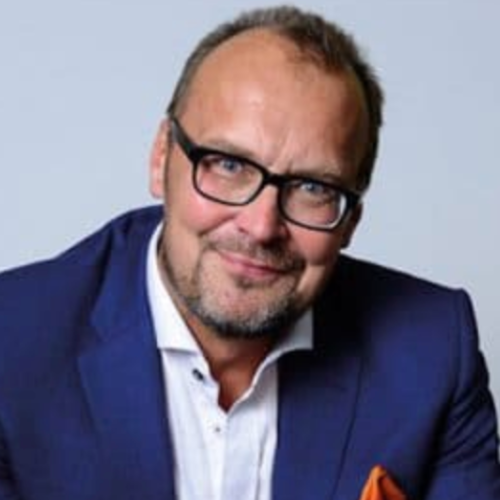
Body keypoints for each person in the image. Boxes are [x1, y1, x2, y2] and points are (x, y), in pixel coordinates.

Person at [0, 5, 499, 500]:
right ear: (161, 158)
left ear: (351, 220)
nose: (261, 227)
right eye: (229, 165)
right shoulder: (14, 344)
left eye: (312, 187)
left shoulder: (432, 354)